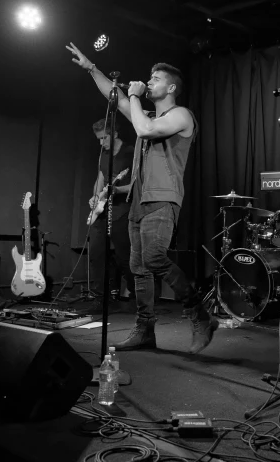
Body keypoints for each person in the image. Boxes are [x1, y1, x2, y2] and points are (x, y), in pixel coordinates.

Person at [66, 42, 217, 354]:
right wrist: (92, 68)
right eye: (150, 77)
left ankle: (199, 314)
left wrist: (134, 96)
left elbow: (145, 128)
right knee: (138, 268)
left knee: (153, 258)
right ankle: (144, 329)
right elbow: (117, 98)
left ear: (171, 87)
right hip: (138, 200)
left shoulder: (181, 116)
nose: (150, 81)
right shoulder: (144, 111)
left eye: (157, 78)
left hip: (163, 199)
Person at [87, 119, 133, 302]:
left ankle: (136, 297)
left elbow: (138, 184)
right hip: (103, 210)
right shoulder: (103, 155)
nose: (101, 143)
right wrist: (95, 197)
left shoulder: (129, 153)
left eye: (104, 138)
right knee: (96, 253)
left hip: (122, 210)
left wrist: (118, 190)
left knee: (124, 256)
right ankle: (100, 297)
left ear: (114, 133)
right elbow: (100, 178)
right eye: (98, 139)